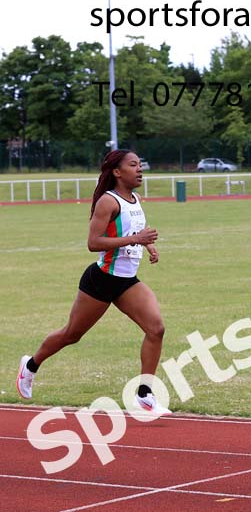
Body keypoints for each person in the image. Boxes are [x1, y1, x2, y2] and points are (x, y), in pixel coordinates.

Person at [15, 150, 171, 415]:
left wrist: (147, 246)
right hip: (100, 280)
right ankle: (30, 365)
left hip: (126, 282)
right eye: (133, 165)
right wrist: (135, 240)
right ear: (117, 172)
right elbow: (94, 243)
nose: (140, 169)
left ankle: (145, 394)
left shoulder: (135, 199)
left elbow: (131, 232)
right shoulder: (107, 203)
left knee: (156, 329)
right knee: (71, 335)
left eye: (140, 164)